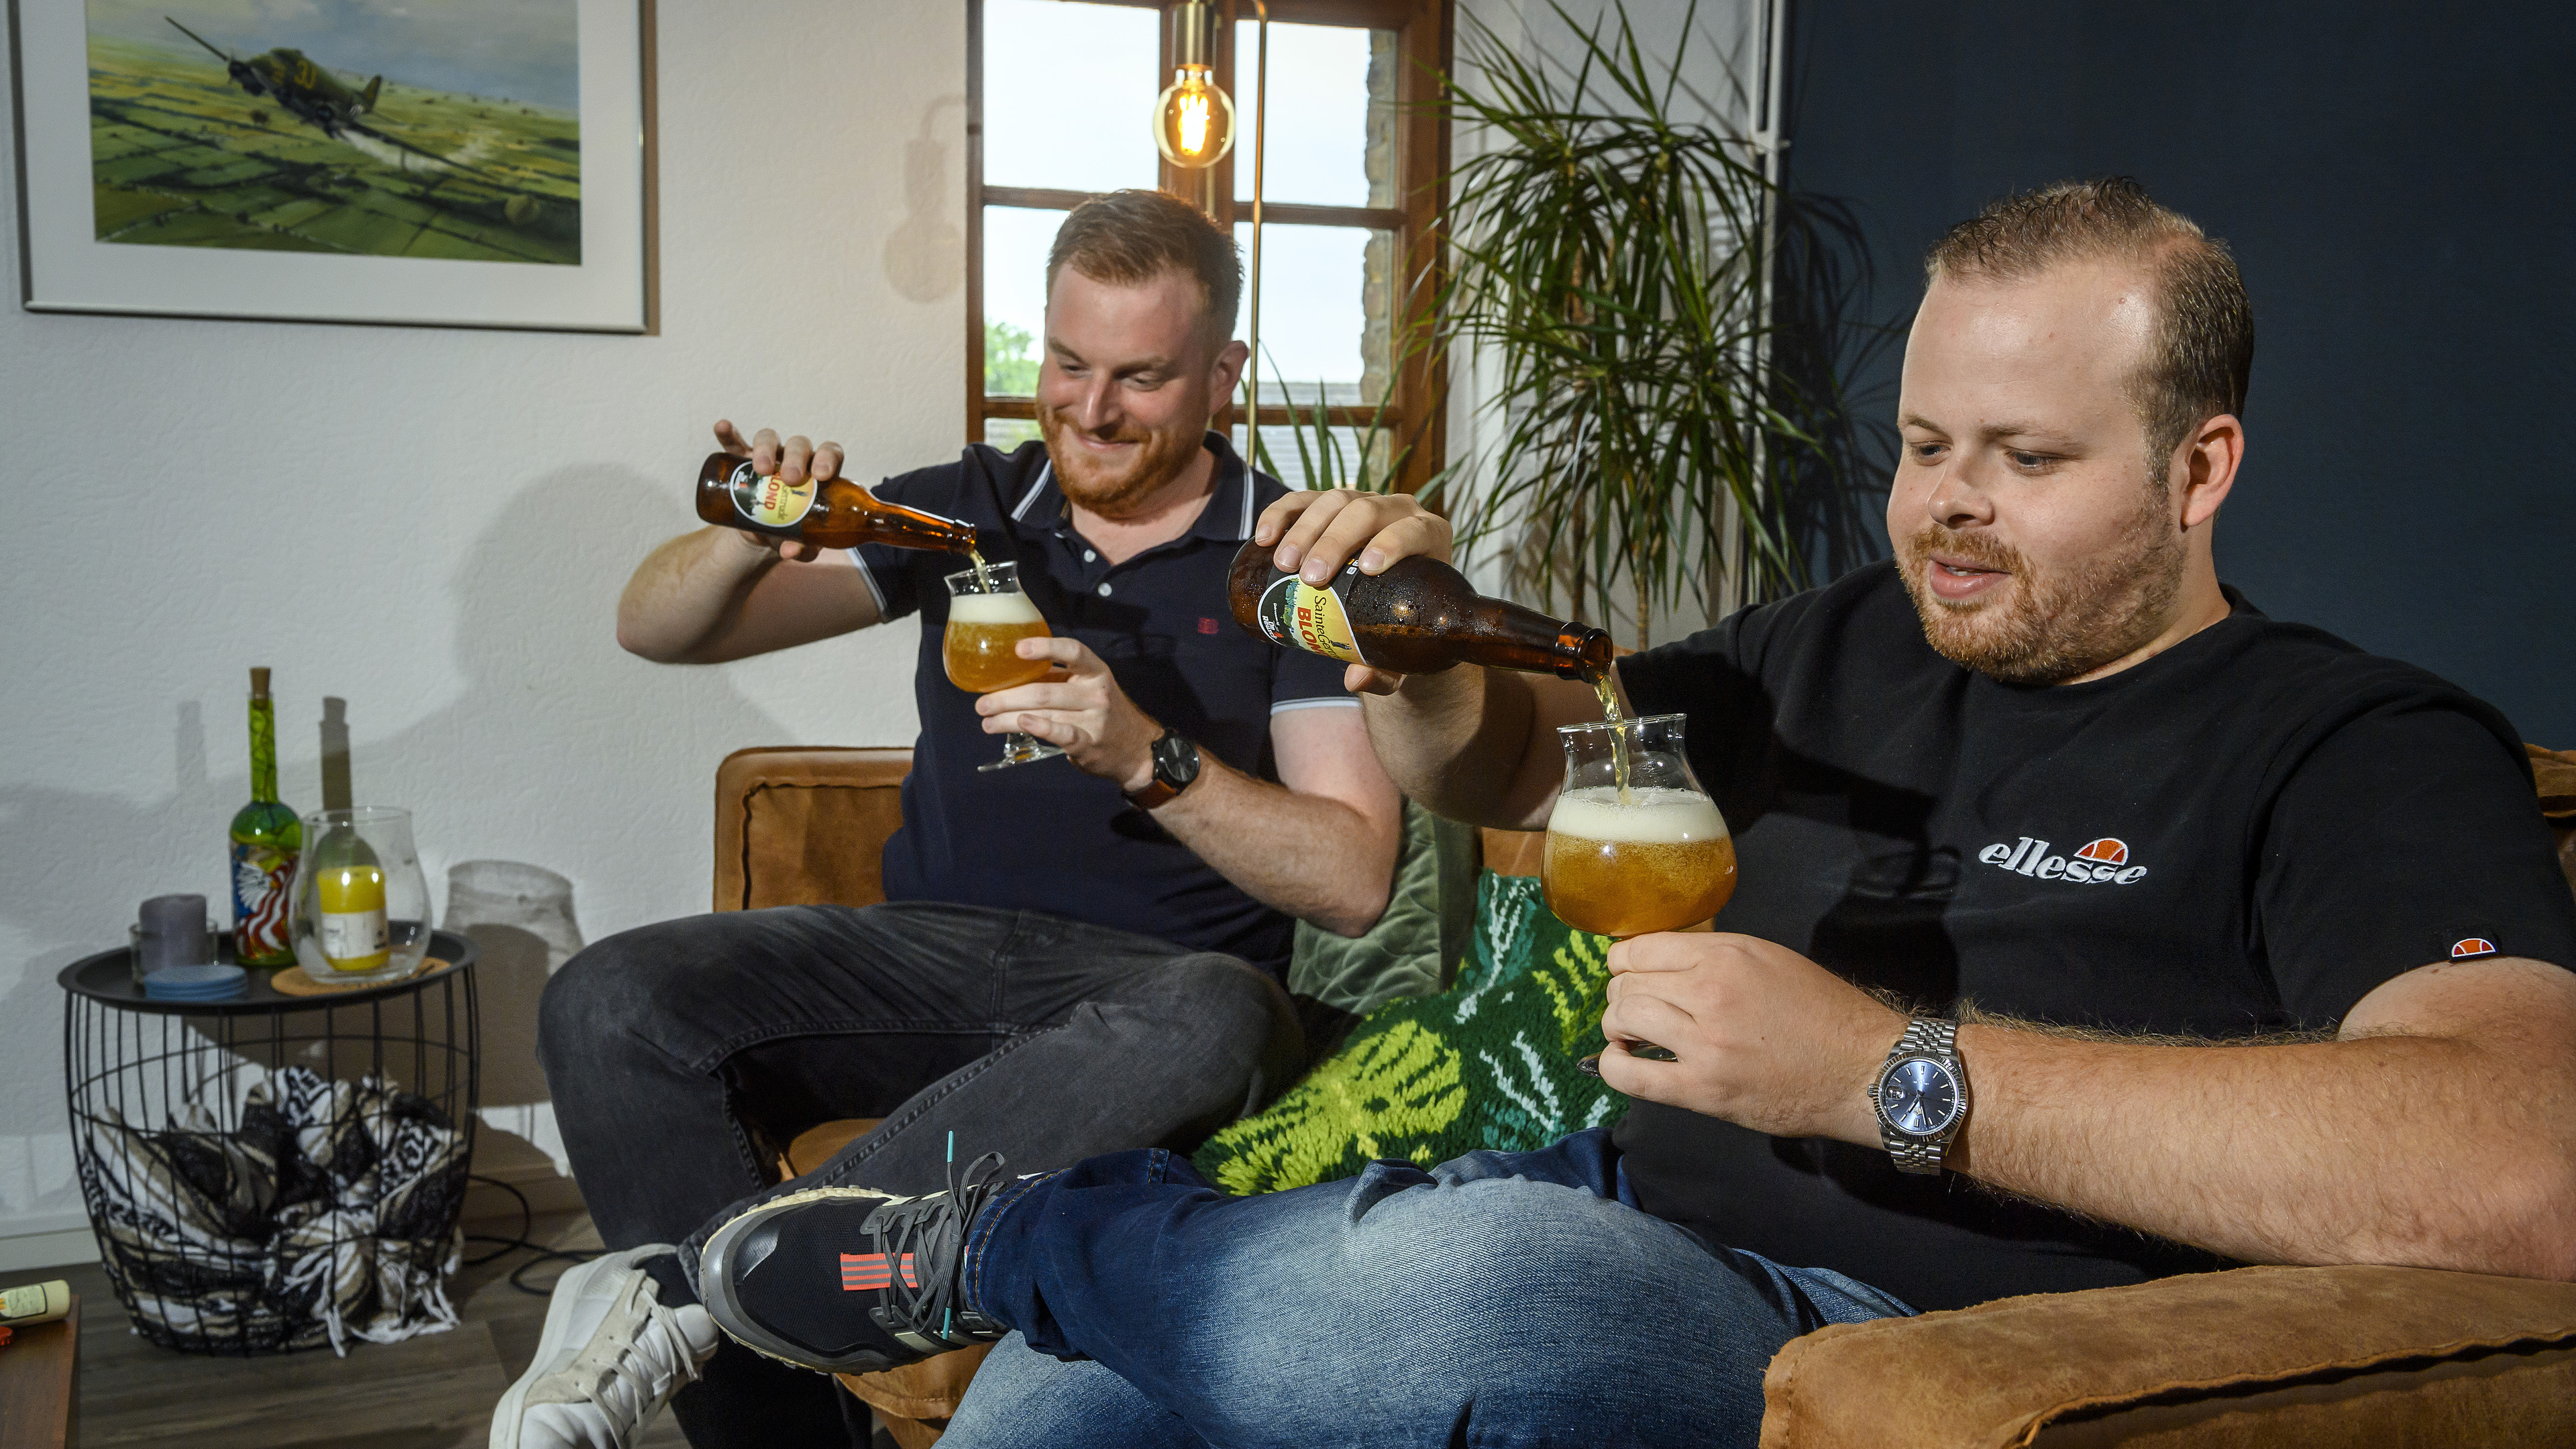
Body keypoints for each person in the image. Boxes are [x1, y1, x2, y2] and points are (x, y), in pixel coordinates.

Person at [665, 178, 2576, 1448]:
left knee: (1457, 1291)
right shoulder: (1837, 643)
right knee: (1049, 1410)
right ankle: (1050, 1278)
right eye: (1922, 447)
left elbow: (2521, 1171)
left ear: (2199, 468)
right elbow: (1503, 768)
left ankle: (1004, 1236)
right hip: (1605, 1202)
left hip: (1879, 1318)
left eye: (2026, 457)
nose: (1947, 508)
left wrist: (1891, 1075)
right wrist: (1412, 658)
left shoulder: (2358, 744)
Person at [489, 190, 1403, 1449]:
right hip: (918, 963)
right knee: (606, 997)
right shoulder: (955, 510)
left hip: (1145, 1006)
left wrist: (1145, 756)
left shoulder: (1291, 565)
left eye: (1140, 378)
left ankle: (681, 1292)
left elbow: (1353, 878)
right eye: (1069, 364)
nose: (1089, 410)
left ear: (1223, 373)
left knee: (1228, 1013)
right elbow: (656, 629)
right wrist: (754, 535)